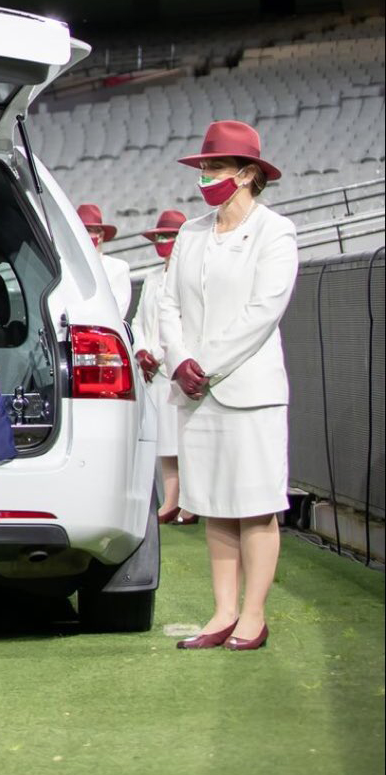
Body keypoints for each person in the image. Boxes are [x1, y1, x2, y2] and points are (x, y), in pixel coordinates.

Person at [159, 121, 298, 653]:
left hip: (248, 389)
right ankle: (222, 612)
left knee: (256, 504)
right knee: (215, 503)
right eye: (204, 168)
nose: (206, 177)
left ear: (246, 175)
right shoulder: (192, 232)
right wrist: (180, 361)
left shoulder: (275, 231)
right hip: (196, 389)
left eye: (215, 168)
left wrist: (205, 364)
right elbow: (168, 303)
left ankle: (253, 617)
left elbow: (264, 311)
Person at [130, 209, 192, 523]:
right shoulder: (153, 278)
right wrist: (141, 350)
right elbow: (139, 320)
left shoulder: (191, 274)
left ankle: (190, 502)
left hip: (177, 367)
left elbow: (186, 323)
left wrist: (165, 354)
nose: (163, 242)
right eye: (159, 237)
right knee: (165, 440)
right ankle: (172, 499)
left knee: (185, 440)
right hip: (153, 371)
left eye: (169, 236)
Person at [79, 203, 133, 318]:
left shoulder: (118, 268)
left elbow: (118, 311)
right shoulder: (67, 267)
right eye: (80, 230)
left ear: (100, 235)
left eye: (88, 230)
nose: (83, 235)